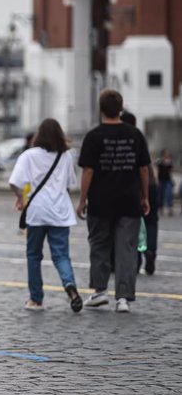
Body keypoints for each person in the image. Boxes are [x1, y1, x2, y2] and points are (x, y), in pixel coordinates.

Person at [77, 89, 150, 313]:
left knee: (99, 245)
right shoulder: (135, 135)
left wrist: (82, 201)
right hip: (129, 201)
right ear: (121, 108)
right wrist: (145, 196)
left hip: (100, 202)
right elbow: (143, 169)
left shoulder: (93, 136)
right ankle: (124, 298)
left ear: (101, 109)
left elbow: (88, 171)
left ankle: (99, 292)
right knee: (126, 249)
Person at [9, 118, 82, 312]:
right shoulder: (66, 156)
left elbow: (14, 182)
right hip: (60, 211)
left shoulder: (29, 156)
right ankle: (70, 287)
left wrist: (21, 199)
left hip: (37, 211)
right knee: (61, 255)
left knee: (34, 255)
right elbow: (69, 184)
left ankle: (36, 299)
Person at [121, 110, 158, 275]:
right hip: (152, 184)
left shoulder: (124, 138)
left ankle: (136, 256)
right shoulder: (140, 137)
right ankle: (149, 250)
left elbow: (139, 168)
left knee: (132, 223)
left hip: (135, 185)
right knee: (150, 223)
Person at [155, 148, 174, 216]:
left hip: (168, 180)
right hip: (161, 180)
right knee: (161, 194)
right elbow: (157, 171)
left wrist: (172, 180)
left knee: (169, 194)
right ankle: (161, 209)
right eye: (165, 153)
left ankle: (170, 209)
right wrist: (156, 179)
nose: (167, 154)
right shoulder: (159, 161)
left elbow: (170, 172)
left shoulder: (170, 162)